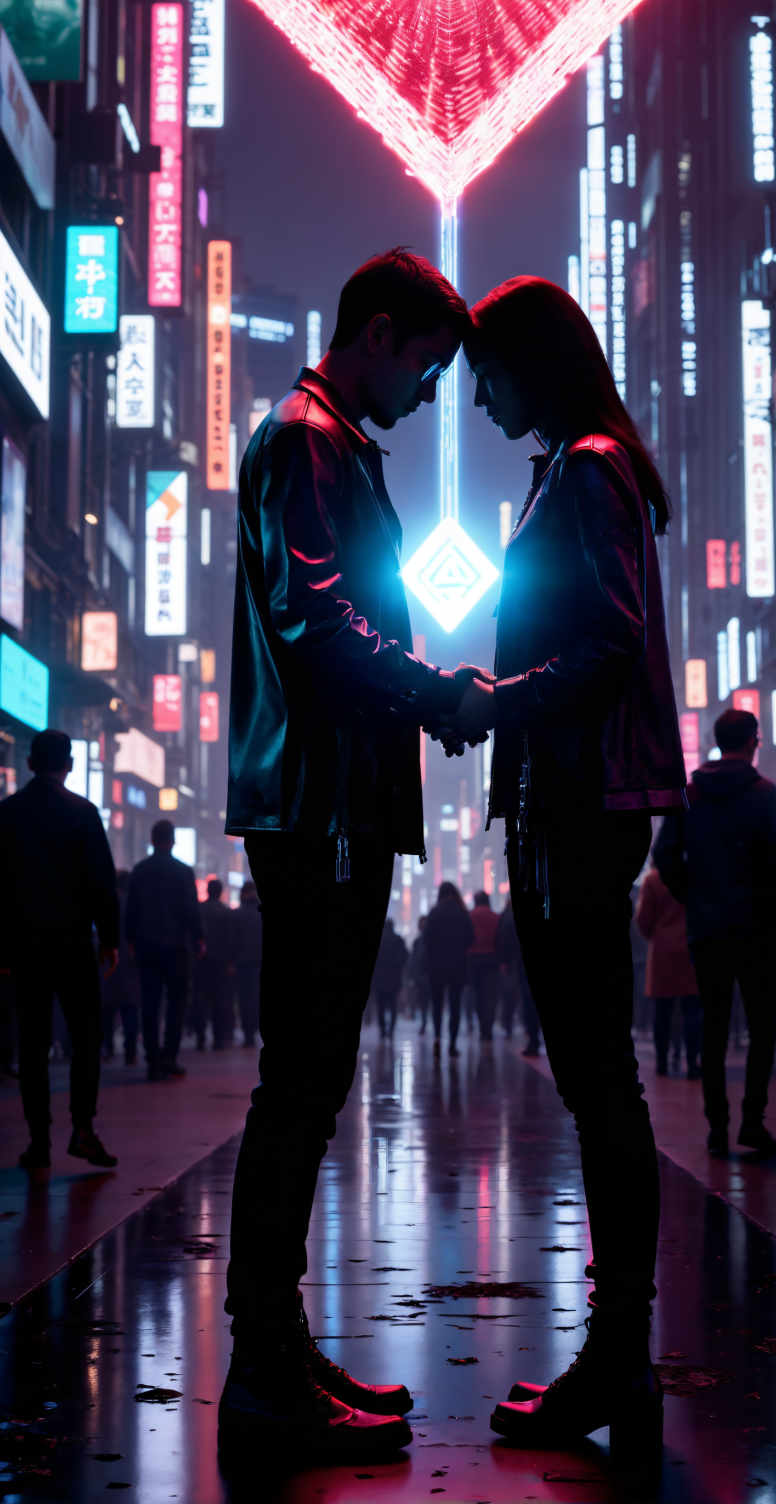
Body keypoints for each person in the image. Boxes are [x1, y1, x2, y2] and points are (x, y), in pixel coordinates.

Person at [220, 248, 476, 1465]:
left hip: (335, 797)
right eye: (425, 367)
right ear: (375, 334)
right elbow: (321, 620)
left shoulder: (322, 441)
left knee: (311, 1081)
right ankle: (264, 1362)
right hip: (320, 801)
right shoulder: (308, 441)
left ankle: (279, 1343)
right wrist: (435, 692)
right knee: (301, 1079)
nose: (429, 397)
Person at [438, 276, 684, 1484]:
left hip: (580, 805)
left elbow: (603, 643)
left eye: (486, 373)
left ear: (532, 363)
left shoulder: (588, 468)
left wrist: (496, 702)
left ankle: (618, 1350)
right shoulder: (575, 465)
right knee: (598, 1082)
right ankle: (614, 1348)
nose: (475, 397)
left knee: (599, 1084)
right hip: (564, 802)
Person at [654, 707, 776, 1161]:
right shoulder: (764, 794)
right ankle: (753, 1121)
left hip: (707, 928)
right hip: (755, 931)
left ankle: (717, 1126)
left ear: (717, 741)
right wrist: (770, 911)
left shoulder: (690, 794)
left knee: (713, 1027)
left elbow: (665, 856)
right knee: (761, 1027)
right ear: (754, 740)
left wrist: (693, 896)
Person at [0, 729, 119, 1172]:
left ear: (30, 763)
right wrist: (109, 939)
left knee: (32, 1044)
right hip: (73, 945)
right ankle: (83, 1130)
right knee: (85, 1039)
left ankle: (38, 1140)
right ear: (68, 765)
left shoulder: (8, 814)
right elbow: (102, 885)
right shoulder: (83, 814)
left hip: (26, 946)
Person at [126, 819, 204, 1080]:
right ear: (173, 840)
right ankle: (170, 1056)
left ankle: (152, 1059)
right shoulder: (183, 872)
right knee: (176, 1004)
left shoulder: (139, 871)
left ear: (152, 839)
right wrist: (198, 938)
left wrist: (131, 941)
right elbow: (191, 911)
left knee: (149, 1003)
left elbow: (131, 912)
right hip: (177, 948)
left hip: (147, 946)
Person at [635, 863, 702, 1078]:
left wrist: (655, 936)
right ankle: (692, 1062)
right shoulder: (695, 874)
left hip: (662, 951)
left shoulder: (653, 880)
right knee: (692, 1011)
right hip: (691, 950)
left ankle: (662, 1063)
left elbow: (643, 919)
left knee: (662, 1013)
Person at [424, 882, 474, 1055]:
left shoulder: (434, 913)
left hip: (436, 966)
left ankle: (437, 1037)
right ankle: (452, 1044)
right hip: (457, 965)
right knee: (455, 1005)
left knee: (437, 1004)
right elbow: (470, 938)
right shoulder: (462, 913)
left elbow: (427, 941)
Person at [101, 870, 140, 1065]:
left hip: (109, 961)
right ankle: (130, 1051)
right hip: (131, 963)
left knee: (108, 1008)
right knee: (130, 1008)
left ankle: (107, 1047)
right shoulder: (136, 904)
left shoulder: (106, 902)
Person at [496, 896, 542, 1054]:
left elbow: (502, 939)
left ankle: (532, 1038)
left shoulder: (507, 915)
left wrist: (505, 962)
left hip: (518, 963)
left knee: (524, 999)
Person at [196, 878, 236, 1050]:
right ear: (220, 892)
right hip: (221, 962)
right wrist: (231, 962)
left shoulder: (199, 910)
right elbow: (231, 939)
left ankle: (200, 1036)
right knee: (220, 1000)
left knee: (201, 1000)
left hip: (201, 961)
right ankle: (219, 1038)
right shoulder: (226, 912)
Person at [232, 882, 262, 1047]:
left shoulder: (237, 914)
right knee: (258, 998)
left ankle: (248, 1033)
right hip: (260, 962)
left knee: (244, 1000)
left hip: (242, 963)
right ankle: (256, 1029)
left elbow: (231, 941)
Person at [467, 889, 500, 1040]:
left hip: (474, 960)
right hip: (492, 959)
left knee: (478, 995)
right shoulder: (496, 917)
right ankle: (489, 1026)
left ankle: (482, 1026)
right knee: (490, 995)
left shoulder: (470, 916)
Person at [371, 918, 407, 1038]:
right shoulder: (398, 940)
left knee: (380, 1005)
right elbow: (404, 957)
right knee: (393, 1005)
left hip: (379, 978)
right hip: (394, 978)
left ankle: (382, 1029)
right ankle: (391, 1029)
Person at [408, 914, 431, 1034]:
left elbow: (413, 960)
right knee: (424, 1001)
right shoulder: (419, 942)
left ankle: (424, 1022)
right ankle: (424, 1021)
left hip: (425, 975)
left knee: (424, 1001)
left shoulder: (419, 942)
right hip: (425, 976)